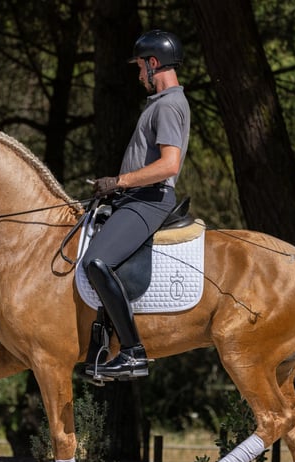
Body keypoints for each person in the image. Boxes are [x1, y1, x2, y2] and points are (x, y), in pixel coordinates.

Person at [82, 29, 190, 380]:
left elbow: (170, 165)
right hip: (134, 198)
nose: (138, 74)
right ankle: (98, 346)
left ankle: (132, 352)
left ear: (152, 63)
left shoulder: (171, 104)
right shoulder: (160, 104)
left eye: (140, 67)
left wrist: (120, 181)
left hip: (149, 201)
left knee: (96, 262)